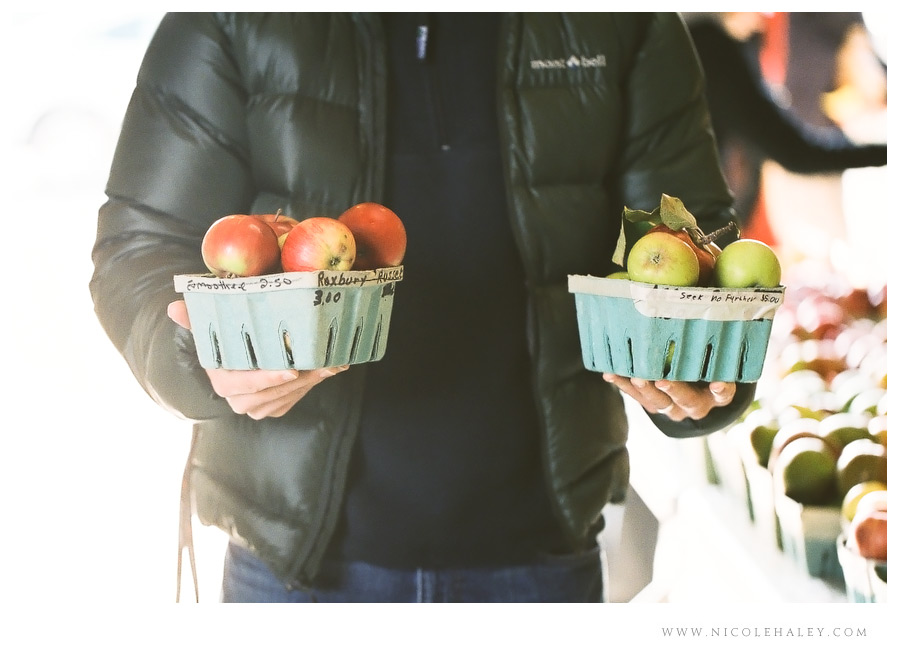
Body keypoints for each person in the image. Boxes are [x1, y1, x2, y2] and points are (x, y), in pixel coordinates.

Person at [91, 13, 752, 603]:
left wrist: (700, 373)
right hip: (296, 573)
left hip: (541, 563)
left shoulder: (623, 21)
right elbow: (139, 246)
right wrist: (201, 363)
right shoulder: (233, 16)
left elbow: (695, 242)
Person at [683, 12, 887, 231]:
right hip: (691, 221)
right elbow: (794, 153)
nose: (764, 17)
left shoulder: (692, 40)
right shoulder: (706, 45)